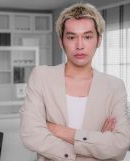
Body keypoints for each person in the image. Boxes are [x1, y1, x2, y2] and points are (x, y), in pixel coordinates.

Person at [20, 3, 130, 161]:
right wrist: (97, 145)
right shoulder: (42, 76)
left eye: (87, 36)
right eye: (71, 37)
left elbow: (119, 145)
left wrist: (57, 130)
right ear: (61, 41)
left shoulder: (115, 86)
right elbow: (30, 134)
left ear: (99, 40)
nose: (79, 45)